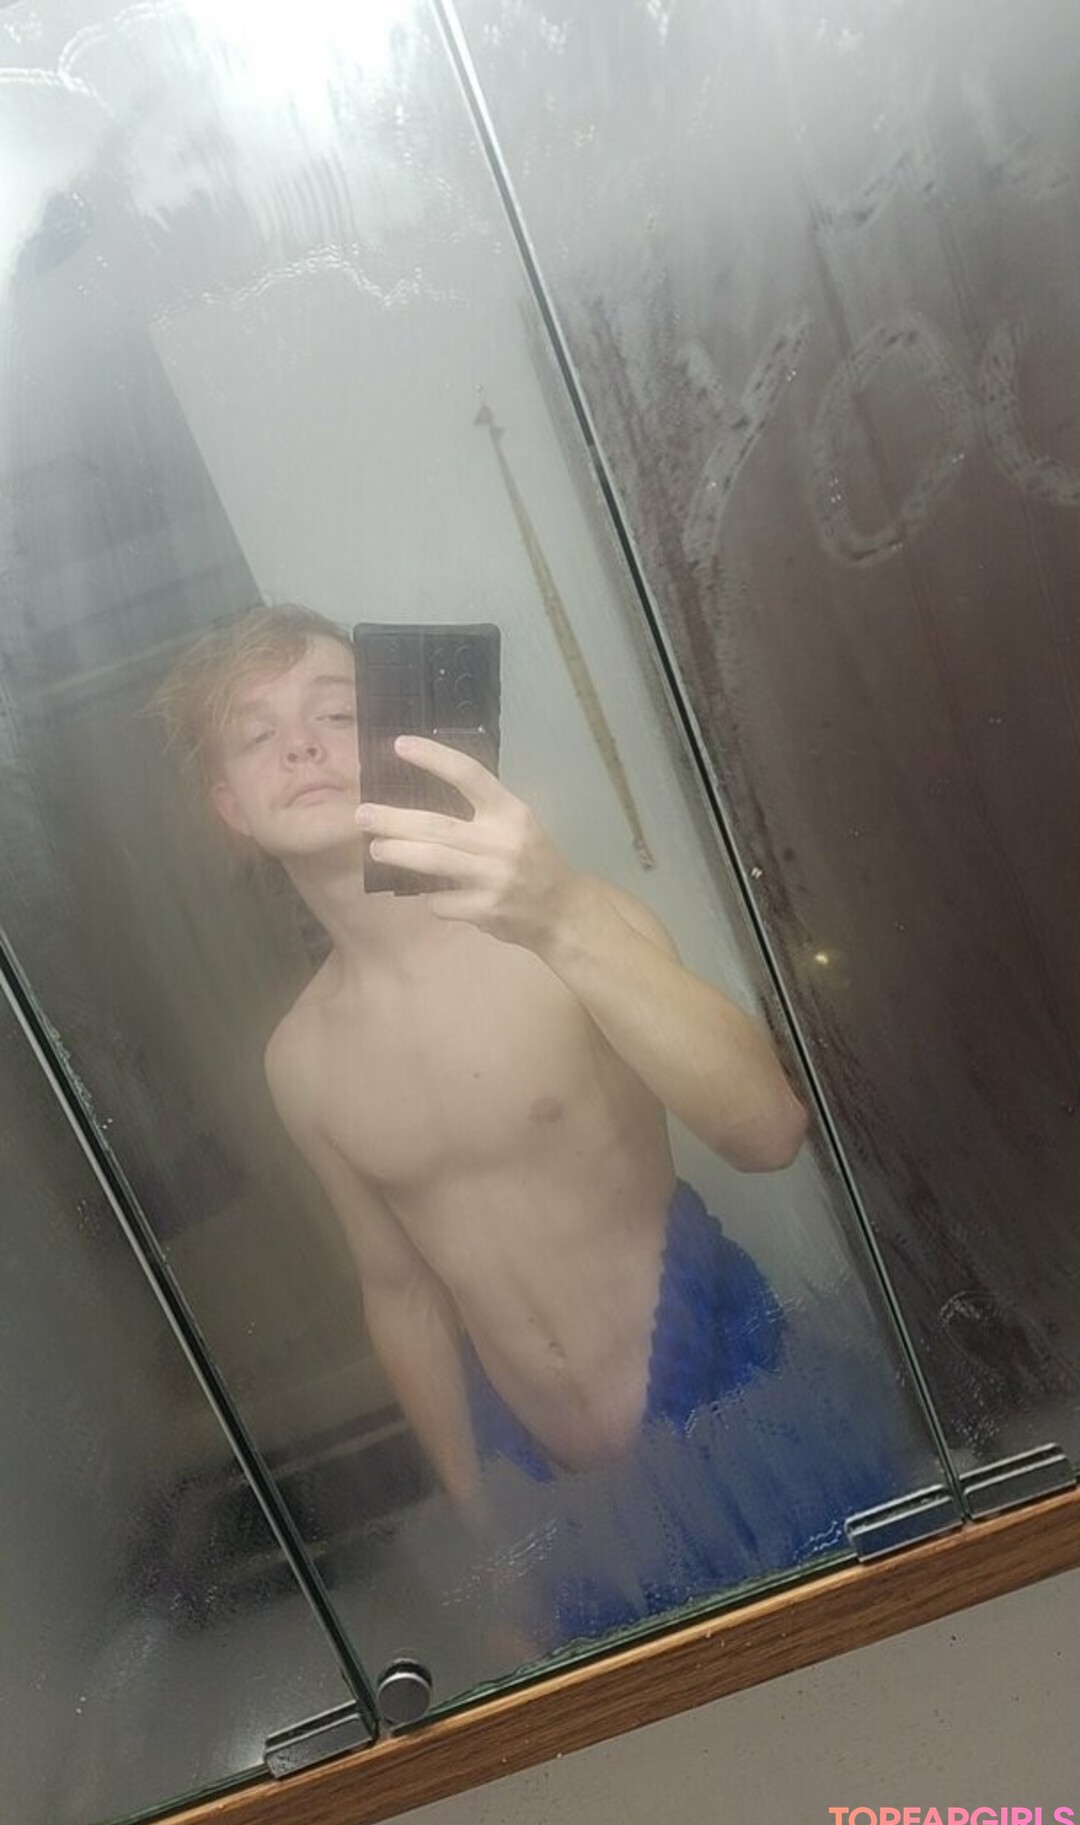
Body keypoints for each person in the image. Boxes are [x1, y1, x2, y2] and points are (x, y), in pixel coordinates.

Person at [154, 603, 890, 1646]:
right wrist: (486, 1526)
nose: (303, 745)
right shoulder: (301, 1059)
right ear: (231, 805)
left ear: (401, 735)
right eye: (257, 731)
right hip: (546, 1481)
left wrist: (559, 916)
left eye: (337, 711)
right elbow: (400, 1294)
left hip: (730, 1402)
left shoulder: (565, 921)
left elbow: (768, 1130)